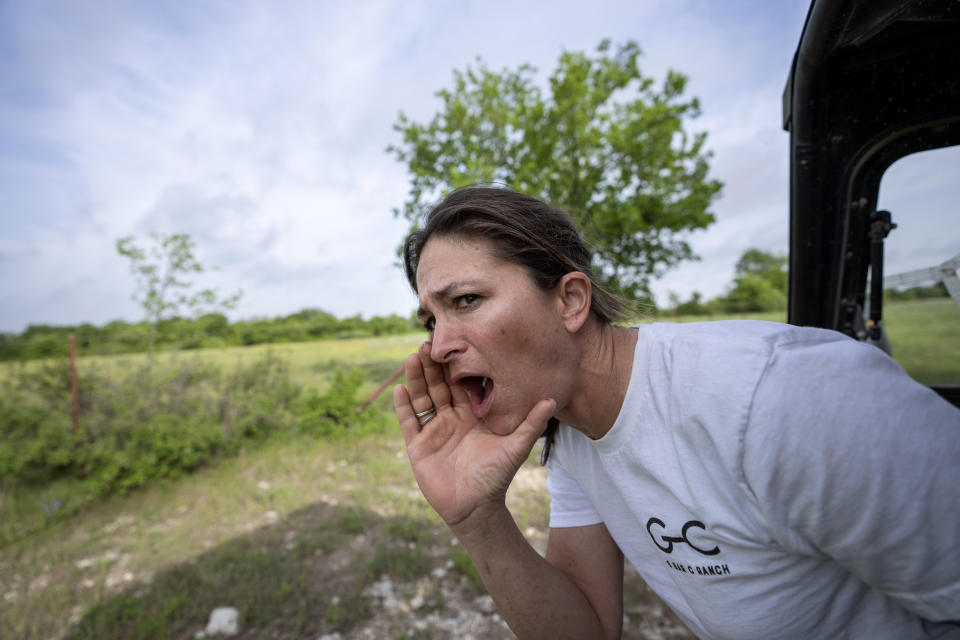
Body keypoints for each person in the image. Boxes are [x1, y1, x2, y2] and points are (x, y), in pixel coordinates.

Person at [392, 186, 960, 639]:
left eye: (466, 301)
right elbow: (587, 629)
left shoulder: (783, 399)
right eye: (430, 320)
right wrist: (478, 520)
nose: (439, 347)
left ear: (570, 300)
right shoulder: (570, 430)